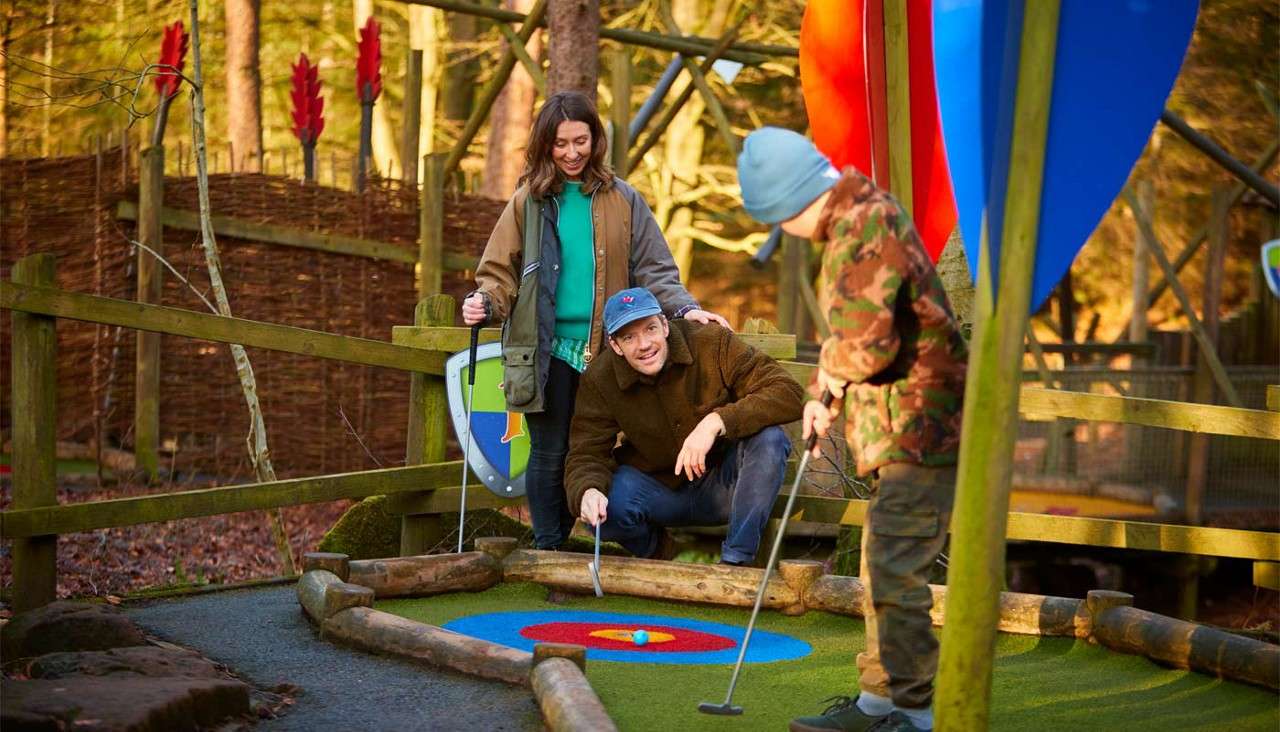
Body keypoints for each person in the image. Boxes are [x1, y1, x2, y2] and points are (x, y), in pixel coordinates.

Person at [737, 127, 967, 732]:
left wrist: (831, 381)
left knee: (894, 567)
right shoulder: (861, 218)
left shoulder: (861, 227)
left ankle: (917, 718)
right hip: (899, 426)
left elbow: (867, 344)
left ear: (786, 204)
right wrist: (823, 393)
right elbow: (857, 337)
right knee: (880, 563)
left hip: (922, 427)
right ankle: (879, 703)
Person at [462, 91, 728, 550]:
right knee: (549, 453)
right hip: (546, 350)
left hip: (608, 349)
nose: (571, 153)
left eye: (580, 141)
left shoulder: (622, 199)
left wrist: (684, 308)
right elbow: (499, 274)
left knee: (601, 450)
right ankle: (549, 551)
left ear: (595, 140)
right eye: (561, 143)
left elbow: (656, 268)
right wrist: (484, 302)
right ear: (546, 144)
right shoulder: (529, 202)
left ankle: (620, 541)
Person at [564, 287, 804, 565]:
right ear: (615, 345)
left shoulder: (711, 342)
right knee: (602, 514)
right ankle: (659, 554)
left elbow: (788, 392)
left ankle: (736, 563)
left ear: (665, 326)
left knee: (771, 439)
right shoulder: (600, 378)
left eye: (650, 329)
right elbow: (585, 452)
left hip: (726, 485)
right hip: (656, 490)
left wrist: (717, 422)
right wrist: (587, 491)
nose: (644, 344)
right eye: (629, 337)